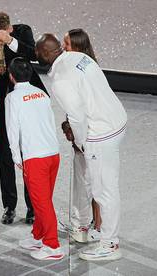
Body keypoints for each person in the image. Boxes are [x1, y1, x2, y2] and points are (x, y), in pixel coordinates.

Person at [35, 34, 127, 261]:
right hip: (115, 120)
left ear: (45, 55)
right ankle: (84, 228)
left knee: (103, 190)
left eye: (37, 53)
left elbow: (76, 117)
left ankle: (110, 244)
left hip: (101, 133)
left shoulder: (60, 81)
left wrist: (81, 142)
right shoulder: (79, 57)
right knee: (100, 185)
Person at [0, 11, 47, 224]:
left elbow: (34, 56)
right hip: (1, 106)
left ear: (10, 28)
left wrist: (10, 41)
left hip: (28, 103)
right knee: (5, 156)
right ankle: (9, 206)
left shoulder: (22, 32)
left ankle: (32, 207)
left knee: (29, 153)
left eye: (3, 33)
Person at [5, 58, 64, 260]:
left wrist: (15, 156)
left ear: (11, 76)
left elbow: (12, 131)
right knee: (43, 200)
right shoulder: (42, 94)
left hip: (34, 157)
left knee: (42, 203)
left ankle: (52, 246)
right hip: (52, 154)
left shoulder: (12, 99)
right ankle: (38, 236)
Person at [62, 28, 102, 241]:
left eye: (66, 45)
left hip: (88, 136)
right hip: (92, 134)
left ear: (77, 47)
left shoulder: (79, 73)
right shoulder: (91, 67)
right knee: (93, 181)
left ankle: (87, 228)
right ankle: (93, 226)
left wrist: (76, 134)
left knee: (88, 182)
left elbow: (82, 107)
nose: (63, 48)